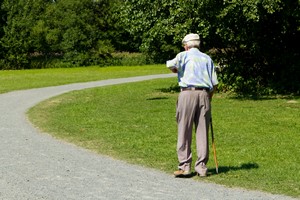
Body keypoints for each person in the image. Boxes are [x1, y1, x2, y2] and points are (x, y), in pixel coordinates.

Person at [166, 33, 218, 177]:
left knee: (184, 129)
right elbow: (214, 84)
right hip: (204, 95)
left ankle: (185, 166)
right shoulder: (207, 58)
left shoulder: (183, 55)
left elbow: (170, 64)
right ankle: (201, 168)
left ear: (186, 45)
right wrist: (208, 99)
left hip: (187, 94)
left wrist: (176, 70)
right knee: (202, 131)